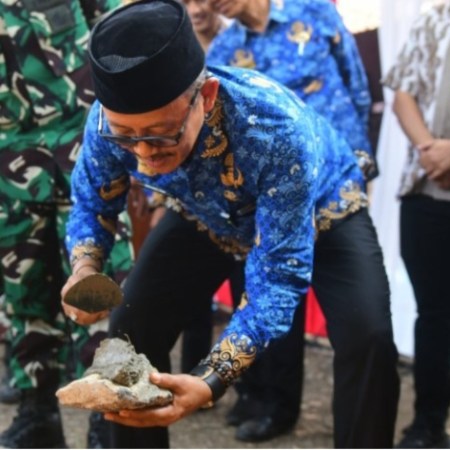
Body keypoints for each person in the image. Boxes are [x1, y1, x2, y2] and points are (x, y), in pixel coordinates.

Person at [60, 1, 400, 448]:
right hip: (208, 215)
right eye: (127, 137)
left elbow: (276, 277)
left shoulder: (276, 130)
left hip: (323, 208)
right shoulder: (107, 123)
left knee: (367, 335)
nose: (143, 154)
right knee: (132, 324)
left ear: (206, 96)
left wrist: (211, 379)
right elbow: (92, 201)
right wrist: (84, 269)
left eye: (161, 134)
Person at [205, 0, 377, 441]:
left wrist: (363, 163)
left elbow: (355, 83)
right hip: (269, 200)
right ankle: (272, 404)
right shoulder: (223, 50)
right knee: (270, 296)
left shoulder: (314, 12)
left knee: (364, 323)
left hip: (334, 189)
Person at [0, 1, 134, 448]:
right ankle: (37, 410)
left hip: (83, 141)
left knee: (99, 284)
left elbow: (116, 32)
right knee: (22, 289)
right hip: (8, 157)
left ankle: (109, 415)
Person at [383, 2, 450, 448]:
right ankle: (428, 421)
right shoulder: (436, 16)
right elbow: (403, 94)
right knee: (435, 314)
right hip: (426, 188)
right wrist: (431, 150)